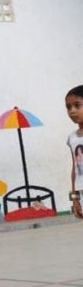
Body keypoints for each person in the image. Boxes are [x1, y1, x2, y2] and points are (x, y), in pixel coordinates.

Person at [65, 85, 83, 219]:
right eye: (68, 107)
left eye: (77, 105)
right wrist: (75, 198)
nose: (72, 111)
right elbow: (74, 170)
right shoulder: (72, 138)